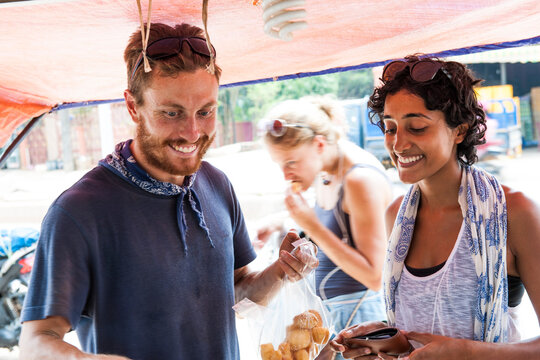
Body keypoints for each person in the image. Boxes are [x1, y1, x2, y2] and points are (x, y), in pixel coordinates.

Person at [18, 22, 317, 360]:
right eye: (171, 113)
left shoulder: (217, 184)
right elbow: (36, 343)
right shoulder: (79, 211)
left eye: (205, 112)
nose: (191, 132)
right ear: (133, 106)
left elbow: (238, 297)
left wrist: (281, 270)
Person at [330, 55, 540, 359]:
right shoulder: (396, 216)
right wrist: (390, 343)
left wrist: (468, 353)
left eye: (416, 127)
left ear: (459, 131)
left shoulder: (513, 212)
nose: (398, 144)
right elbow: (422, 336)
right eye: (390, 128)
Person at [261, 96, 393, 359]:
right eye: (280, 165)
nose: (286, 175)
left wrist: (311, 225)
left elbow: (375, 276)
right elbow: (340, 234)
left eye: (291, 163)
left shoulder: (359, 180)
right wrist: (286, 226)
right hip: (335, 322)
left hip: (361, 325)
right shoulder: (328, 173)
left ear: (319, 144)